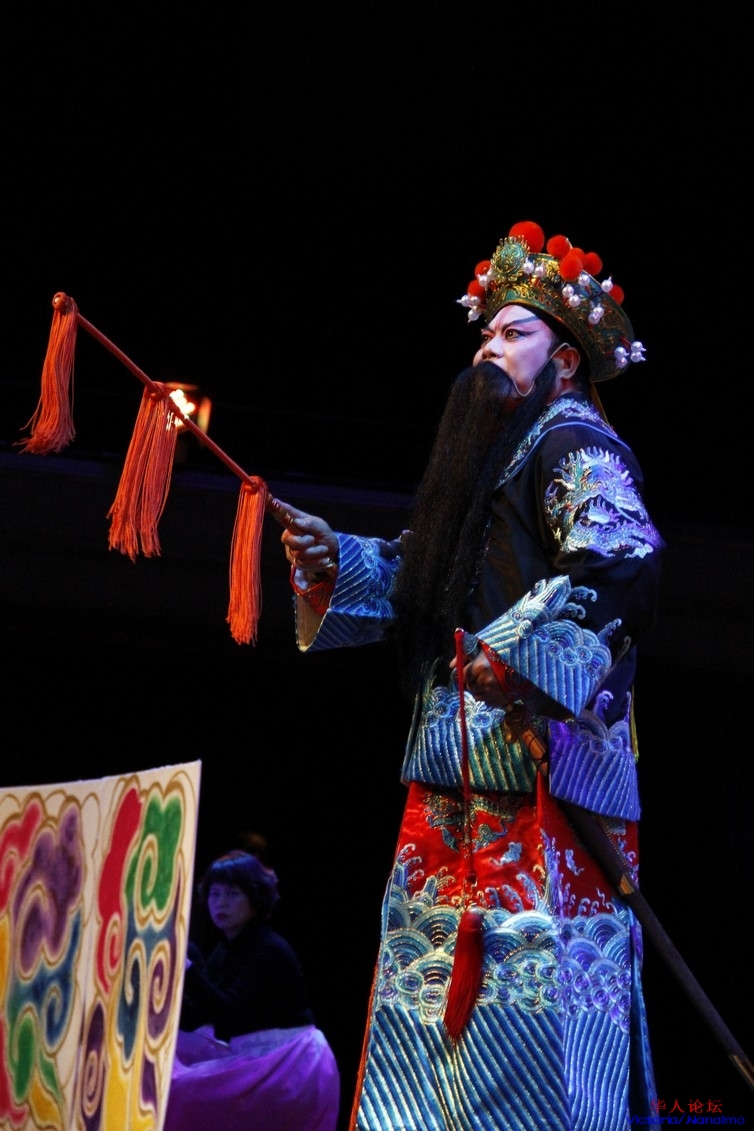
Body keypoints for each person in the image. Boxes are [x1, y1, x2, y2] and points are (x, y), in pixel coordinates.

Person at [278, 219, 665, 1130]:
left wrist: (523, 665)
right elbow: (423, 577)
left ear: (563, 361)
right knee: (424, 1001)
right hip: (452, 780)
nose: (488, 345)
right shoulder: (488, 460)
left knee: (532, 1015)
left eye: (512, 332)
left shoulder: (575, 442)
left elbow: (623, 557)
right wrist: (337, 562)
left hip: (545, 778)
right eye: (485, 331)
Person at [164, 849, 340, 1131]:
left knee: (182, 1091)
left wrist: (187, 967)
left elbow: (227, 1011)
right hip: (259, 1055)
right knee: (167, 1067)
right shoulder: (227, 948)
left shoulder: (269, 948)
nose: (220, 903)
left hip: (291, 1062)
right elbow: (202, 1014)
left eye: (232, 894)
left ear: (255, 899)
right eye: (214, 894)